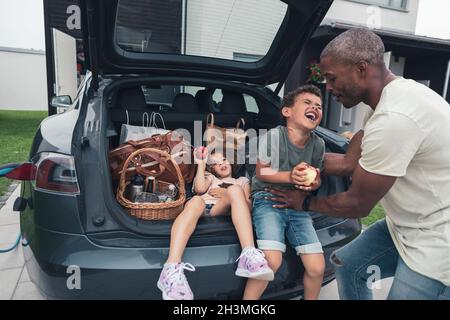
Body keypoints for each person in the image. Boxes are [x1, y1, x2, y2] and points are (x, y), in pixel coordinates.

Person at [267, 28, 450, 300]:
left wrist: (303, 203)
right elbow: (348, 163)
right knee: (349, 265)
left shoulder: (394, 119)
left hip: (438, 239)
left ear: (361, 69)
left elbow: (357, 205)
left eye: (331, 78)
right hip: (408, 224)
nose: (327, 88)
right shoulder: (384, 101)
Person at [243, 85, 326, 300]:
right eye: (307, 103)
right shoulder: (275, 136)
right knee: (271, 261)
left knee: (317, 268)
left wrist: (312, 184)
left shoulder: (318, 144)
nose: (314, 108)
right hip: (267, 198)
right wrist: (291, 176)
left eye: (319, 106)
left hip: (297, 204)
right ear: (287, 111)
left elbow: (317, 177)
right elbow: (262, 171)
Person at [157, 148, 274, 300]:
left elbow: (249, 206)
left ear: (231, 162)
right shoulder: (210, 177)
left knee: (235, 190)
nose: (221, 164)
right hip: (204, 208)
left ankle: (249, 255)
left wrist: (226, 193)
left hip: (221, 208)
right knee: (195, 200)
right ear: (212, 169)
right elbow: (199, 189)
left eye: (224, 159)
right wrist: (201, 164)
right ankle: (171, 268)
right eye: (216, 163)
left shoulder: (242, 181)